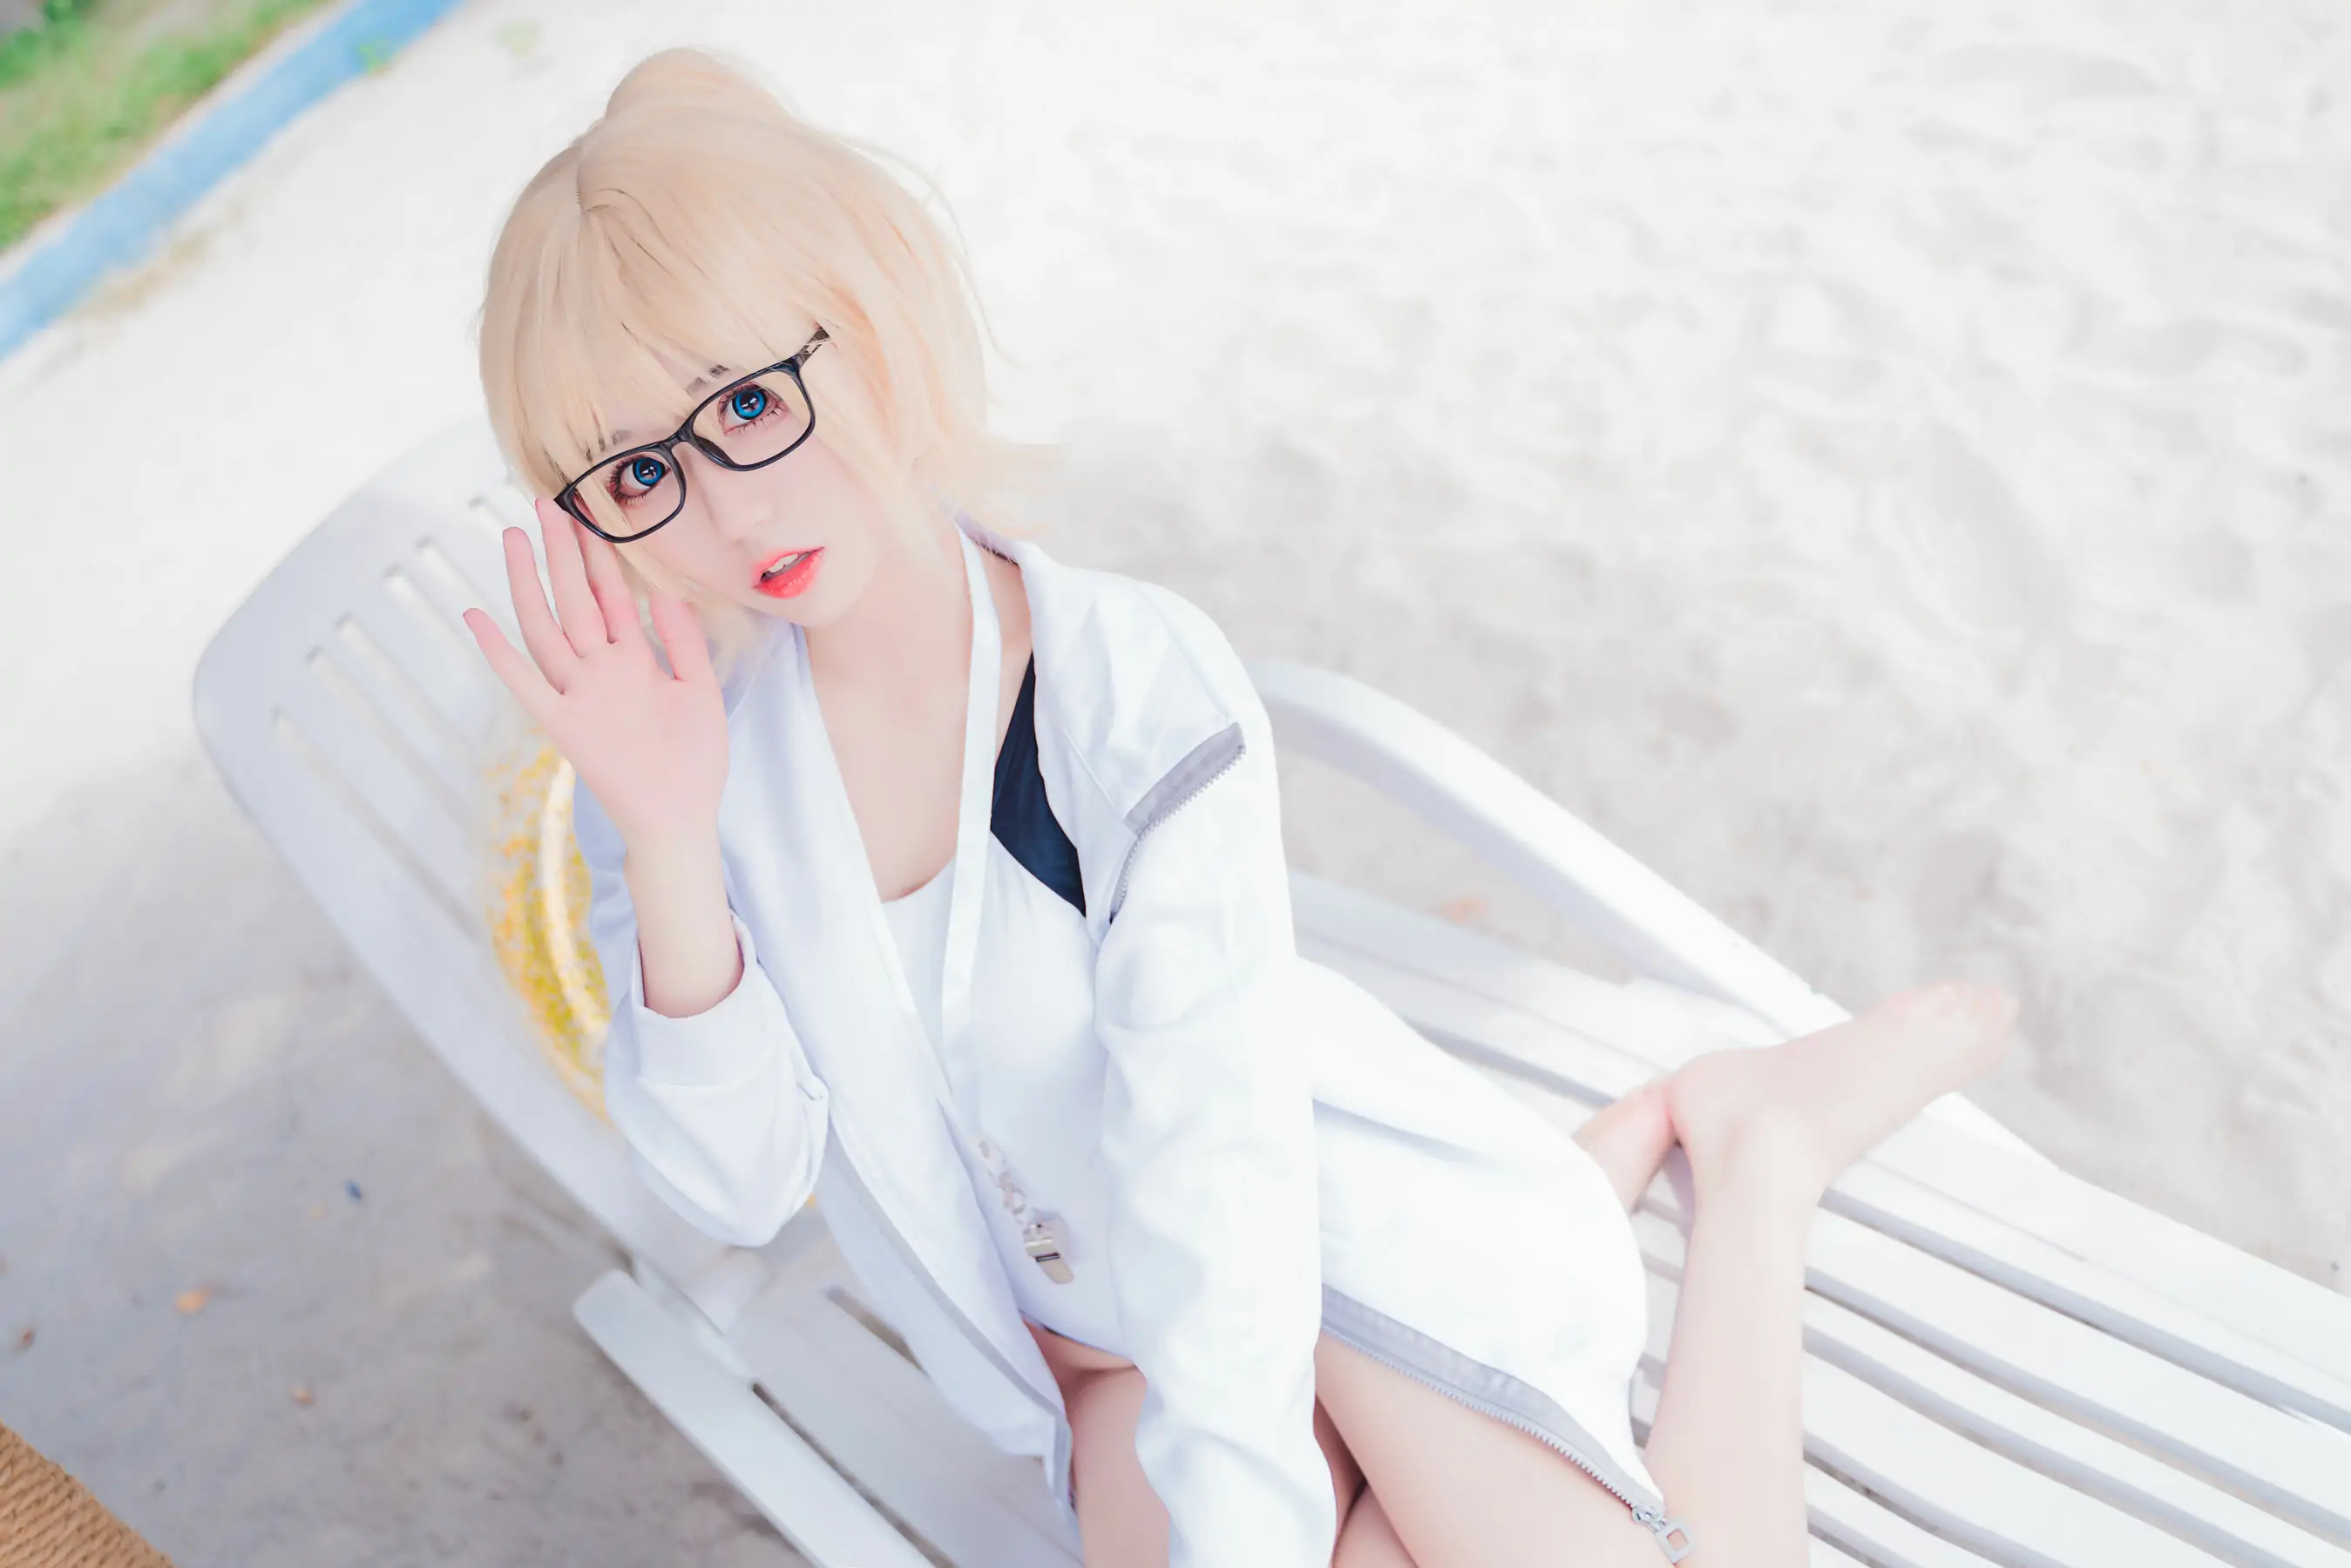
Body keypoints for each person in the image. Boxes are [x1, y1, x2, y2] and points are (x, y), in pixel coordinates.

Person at [458, 44, 2016, 1568]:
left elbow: (1217, 1184)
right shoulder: (679, 769)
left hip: (1316, 1233)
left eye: (745, 406)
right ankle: (1604, 1168)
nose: (728, 511)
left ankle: (1756, 1157)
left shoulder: (1128, 691)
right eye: (638, 474)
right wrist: (668, 831)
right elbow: (740, 1186)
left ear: (863, 325)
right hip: (1102, 1369)